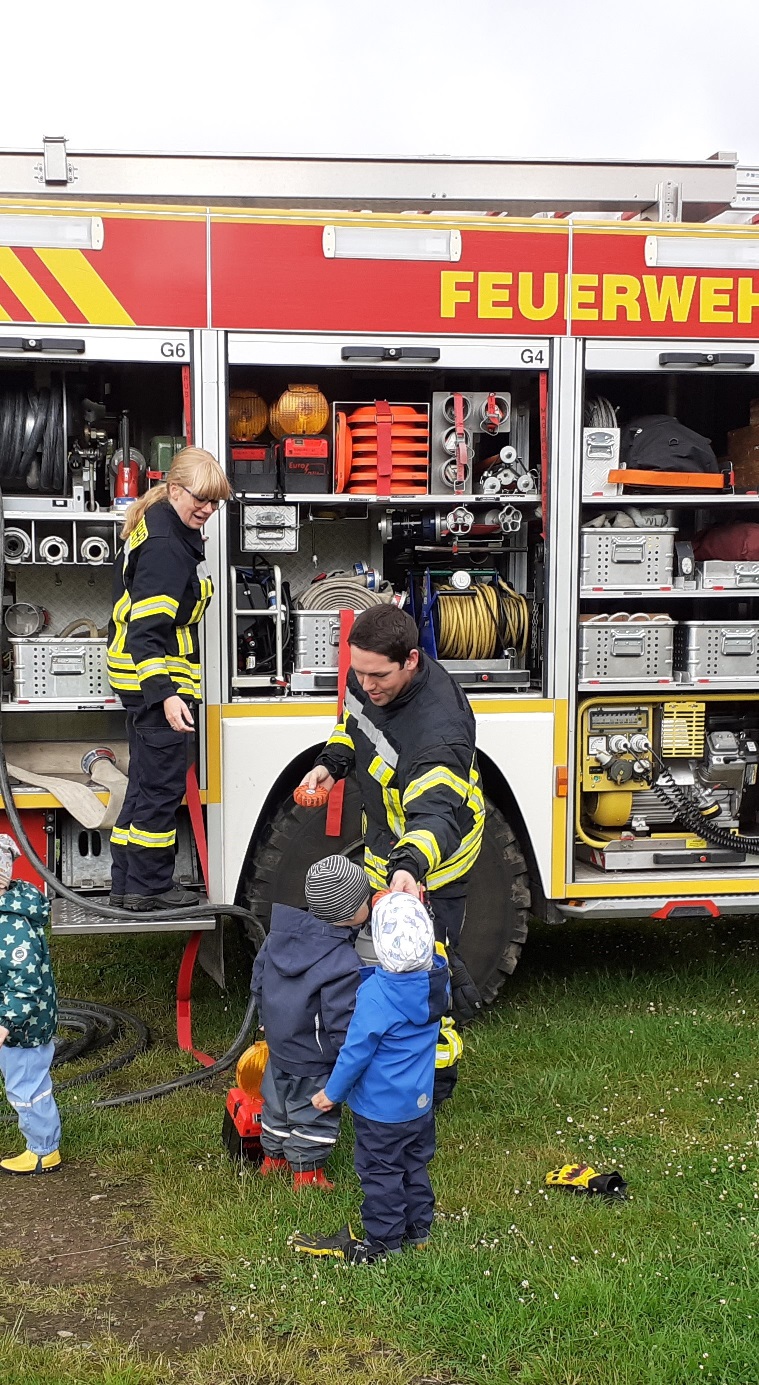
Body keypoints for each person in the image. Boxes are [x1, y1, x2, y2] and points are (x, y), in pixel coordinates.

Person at [299, 604, 484, 1022]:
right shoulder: (368, 672)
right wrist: (330, 765)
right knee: (391, 954)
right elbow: (353, 724)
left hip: (435, 858)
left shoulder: (438, 733)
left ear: (411, 660)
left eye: (378, 676)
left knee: (429, 953)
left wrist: (409, 869)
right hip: (389, 841)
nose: (366, 685)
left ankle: (439, 1036)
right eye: (359, 672)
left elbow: (437, 817)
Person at [292, 891, 448, 1264]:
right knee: (414, 1164)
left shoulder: (376, 996)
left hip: (380, 1112)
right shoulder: (436, 982)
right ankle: (419, 1232)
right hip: (419, 1104)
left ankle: (384, 1241)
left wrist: (332, 1093)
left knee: (382, 1173)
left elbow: (355, 1053)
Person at [106, 448, 230, 912]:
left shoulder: (158, 520)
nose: (208, 511)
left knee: (142, 783)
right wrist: (166, 697)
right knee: (161, 789)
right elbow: (147, 633)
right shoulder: (166, 546)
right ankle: (150, 888)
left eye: (216, 503)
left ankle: (126, 881)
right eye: (201, 500)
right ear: (175, 489)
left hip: (138, 683)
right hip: (155, 685)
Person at [250, 854, 371, 1189]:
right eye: (365, 899)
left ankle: (273, 1159)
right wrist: (351, 1057)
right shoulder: (343, 962)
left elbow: (259, 978)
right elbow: (341, 1018)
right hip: (315, 1056)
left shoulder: (280, 936)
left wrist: (264, 1017)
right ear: (350, 914)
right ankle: (307, 1173)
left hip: (279, 1044)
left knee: (276, 1104)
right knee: (313, 1112)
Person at [0, 838, 61, 1176]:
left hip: (24, 1027)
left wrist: (5, 1025)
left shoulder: (12, 926)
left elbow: (24, 985)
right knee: (23, 1081)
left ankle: (42, 1150)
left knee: (26, 1088)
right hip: (17, 1023)